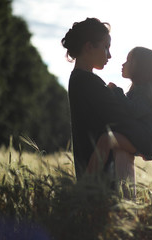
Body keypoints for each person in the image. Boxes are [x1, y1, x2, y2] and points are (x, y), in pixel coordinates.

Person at [62, 17, 140, 180]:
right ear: (89, 47)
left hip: (93, 174)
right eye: (106, 47)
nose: (109, 55)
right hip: (101, 178)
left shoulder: (79, 79)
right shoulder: (87, 82)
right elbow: (125, 119)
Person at [86, 47, 152, 179]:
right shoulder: (140, 91)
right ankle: (91, 182)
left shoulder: (148, 92)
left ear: (140, 67)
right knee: (110, 141)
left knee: (107, 138)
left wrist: (116, 92)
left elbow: (132, 111)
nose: (123, 64)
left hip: (147, 140)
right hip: (141, 137)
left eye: (128, 61)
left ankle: (86, 182)